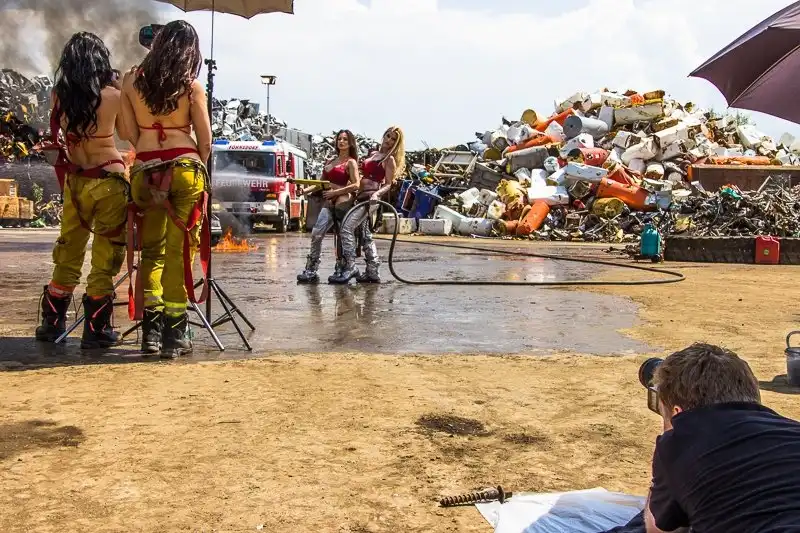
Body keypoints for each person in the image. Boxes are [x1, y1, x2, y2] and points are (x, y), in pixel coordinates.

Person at [120, 20, 212, 358]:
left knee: (152, 251)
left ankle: (151, 333)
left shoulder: (130, 80)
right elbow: (206, 140)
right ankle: (176, 332)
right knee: (180, 251)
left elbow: (128, 132)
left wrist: (149, 146)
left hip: (146, 169)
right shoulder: (191, 87)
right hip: (185, 168)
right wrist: (197, 164)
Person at [35, 32, 129, 349]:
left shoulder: (59, 97)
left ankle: (52, 324)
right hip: (110, 179)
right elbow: (125, 133)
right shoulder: (113, 95)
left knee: (68, 249)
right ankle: (96, 329)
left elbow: (58, 136)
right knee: (106, 253)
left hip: (76, 181)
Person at [644, 343, 800, 533]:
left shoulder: (681, 438)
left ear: (678, 412)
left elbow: (659, 529)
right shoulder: (792, 430)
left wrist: (670, 432)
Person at [329, 125, 404, 284]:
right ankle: (372, 271)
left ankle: (351, 266)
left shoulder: (389, 159)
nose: (389, 141)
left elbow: (388, 184)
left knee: (347, 228)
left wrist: (377, 194)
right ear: (384, 135)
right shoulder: (373, 153)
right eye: (388, 136)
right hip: (360, 197)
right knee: (365, 234)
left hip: (371, 199)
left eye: (393, 139)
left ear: (396, 144)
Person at [296, 130, 360, 284]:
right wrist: (304, 191)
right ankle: (311, 269)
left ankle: (345, 267)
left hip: (343, 202)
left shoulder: (351, 162)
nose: (341, 141)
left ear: (350, 143)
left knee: (342, 236)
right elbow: (320, 183)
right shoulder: (330, 161)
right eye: (339, 139)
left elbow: (356, 185)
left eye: (345, 139)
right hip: (329, 202)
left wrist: (336, 192)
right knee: (316, 233)